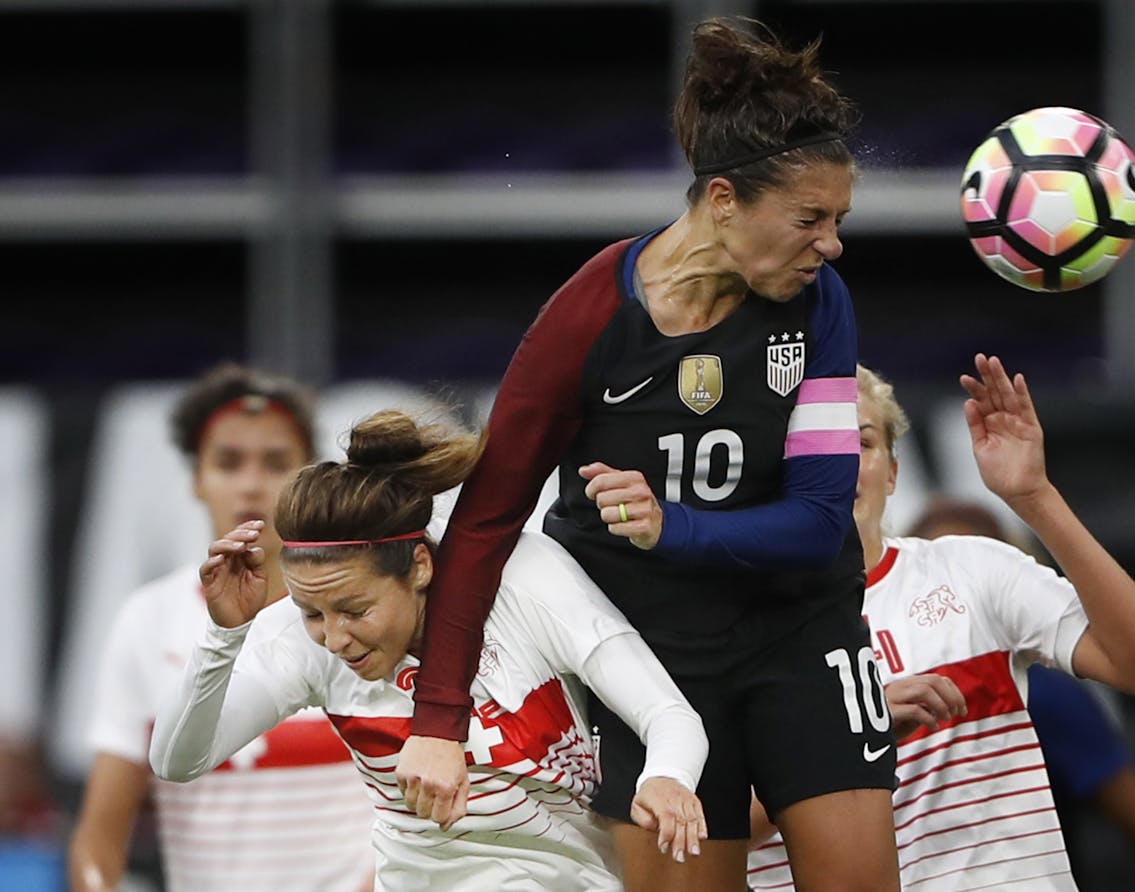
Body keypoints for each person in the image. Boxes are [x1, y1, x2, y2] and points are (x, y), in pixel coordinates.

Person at [397, 16, 898, 892]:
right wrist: (436, 719)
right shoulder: (588, 318)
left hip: (802, 632)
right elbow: (484, 523)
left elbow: (822, 525)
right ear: (722, 201)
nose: (832, 244)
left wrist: (673, 528)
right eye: (810, 218)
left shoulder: (822, 304)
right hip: (649, 661)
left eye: (839, 219)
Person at [148, 409, 710, 891]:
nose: (335, 637)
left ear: (420, 567)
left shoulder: (525, 578)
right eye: (312, 613)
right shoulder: (299, 636)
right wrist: (224, 635)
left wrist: (667, 776)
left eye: (355, 610)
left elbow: (670, 715)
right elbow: (176, 761)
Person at [748, 356, 1135, 890]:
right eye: (816, 447)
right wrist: (858, 731)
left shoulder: (972, 570)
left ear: (892, 472)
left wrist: (1034, 497)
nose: (841, 463)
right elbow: (708, 832)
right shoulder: (729, 628)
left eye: (862, 443)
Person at [67, 363, 375, 892]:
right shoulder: (148, 619)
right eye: (229, 462)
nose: (252, 484)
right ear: (196, 480)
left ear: (310, 477)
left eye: (276, 463)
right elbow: (99, 840)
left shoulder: (366, 612)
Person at [909, 499, 1135, 892]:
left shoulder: (1047, 698)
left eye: (980, 569)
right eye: (940, 586)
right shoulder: (865, 699)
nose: (959, 597)